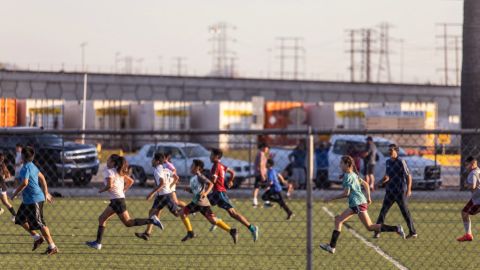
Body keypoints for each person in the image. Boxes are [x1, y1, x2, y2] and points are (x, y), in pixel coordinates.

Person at [320, 155, 405, 254]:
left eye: (341, 163)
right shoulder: (353, 174)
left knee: (366, 226)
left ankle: (396, 228)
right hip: (357, 203)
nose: (340, 165)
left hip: (358, 203)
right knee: (342, 221)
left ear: (347, 164)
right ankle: (331, 247)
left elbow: (346, 193)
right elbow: (366, 184)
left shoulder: (348, 176)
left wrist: (330, 198)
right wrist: (368, 197)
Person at [86, 154, 164, 250]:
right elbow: (131, 181)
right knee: (102, 218)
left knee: (128, 223)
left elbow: (109, 185)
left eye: (108, 160)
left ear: (113, 163)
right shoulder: (119, 172)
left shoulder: (109, 171)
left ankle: (152, 220)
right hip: (117, 200)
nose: (107, 162)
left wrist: (101, 190)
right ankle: (98, 243)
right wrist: (123, 190)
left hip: (117, 201)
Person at [11, 146, 58, 255]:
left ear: (22, 156)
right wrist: (46, 192)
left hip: (35, 199)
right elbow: (42, 178)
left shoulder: (26, 168)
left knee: (40, 223)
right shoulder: (32, 166)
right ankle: (37, 237)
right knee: (19, 219)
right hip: (28, 200)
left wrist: (14, 194)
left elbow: (25, 183)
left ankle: (53, 246)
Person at [135, 152, 193, 241]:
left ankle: (191, 209)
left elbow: (161, 183)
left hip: (164, 196)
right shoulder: (165, 169)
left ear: (157, 161)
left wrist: (152, 193)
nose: (152, 161)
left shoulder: (157, 170)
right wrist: (170, 185)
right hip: (162, 195)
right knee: (152, 212)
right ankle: (147, 233)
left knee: (177, 213)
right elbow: (176, 177)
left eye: (153, 159)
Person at [180, 159, 238, 243]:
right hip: (197, 202)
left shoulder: (200, 176)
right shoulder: (194, 178)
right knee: (212, 220)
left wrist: (205, 193)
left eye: (192, 166)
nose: (190, 167)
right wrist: (189, 189)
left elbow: (211, 184)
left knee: (212, 220)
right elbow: (197, 190)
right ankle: (190, 233)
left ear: (197, 168)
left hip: (202, 203)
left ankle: (190, 232)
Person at [208, 148, 259, 242]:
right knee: (203, 205)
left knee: (233, 214)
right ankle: (216, 220)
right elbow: (232, 172)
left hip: (219, 193)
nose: (209, 157)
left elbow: (213, 181)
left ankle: (252, 228)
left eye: (211, 155)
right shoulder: (221, 165)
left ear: (216, 156)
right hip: (217, 193)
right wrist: (230, 180)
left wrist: (206, 183)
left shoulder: (216, 166)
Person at [374, 144, 417, 239]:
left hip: (400, 191)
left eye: (391, 150)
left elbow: (408, 175)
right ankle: (377, 231)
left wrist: (409, 189)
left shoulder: (401, 161)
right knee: (383, 211)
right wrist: (378, 183)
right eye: (388, 150)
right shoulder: (388, 161)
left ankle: (413, 232)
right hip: (390, 191)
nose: (389, 152)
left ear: (396, 151)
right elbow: (387, 176)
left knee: (405, 211)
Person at [457, 156, 480, 242]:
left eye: (467, 165)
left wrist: (467, 185)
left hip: (478, 200)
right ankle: (468, 235)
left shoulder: (473, 173)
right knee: (464, 212)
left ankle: (468, 234)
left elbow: (473, 187)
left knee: (465, 213)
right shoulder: (478, 170)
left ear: (473, 163)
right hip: (475, 199)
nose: (466, 167)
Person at [252, 143, 272, 208]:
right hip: (260, 173)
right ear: (263, 147)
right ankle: (266, 201)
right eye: (267, 148)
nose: (267, 149)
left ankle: (255, 202)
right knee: (267, 186)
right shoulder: (261, 154)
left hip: (260, 173)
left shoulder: (262, 154)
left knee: (257, 187)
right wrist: (262, 175)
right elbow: (260, 165)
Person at [0, 153, 16, 221]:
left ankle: (15, 215)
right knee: (5, 202)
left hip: (1, 187)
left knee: (5, 202)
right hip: (2, 186)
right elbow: (8, 175)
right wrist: (4, 177)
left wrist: (3, 178)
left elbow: (7, 175)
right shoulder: (3, 165)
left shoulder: (1, 166)